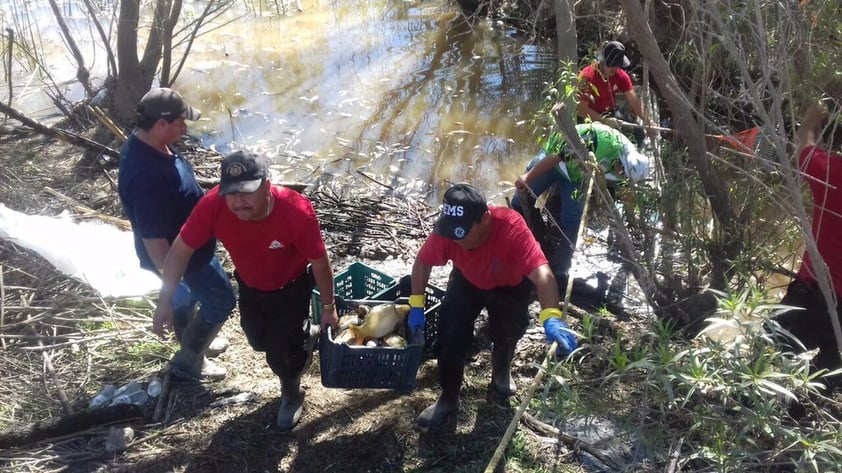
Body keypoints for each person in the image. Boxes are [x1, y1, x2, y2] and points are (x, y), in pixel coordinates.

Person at [152, 150, 339, 431]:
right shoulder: (213, 204)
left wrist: (328, 307)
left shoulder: (296, 210)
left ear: (266, 184)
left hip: (290, 288)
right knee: (258, 342)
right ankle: (305, 335)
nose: (238, 202)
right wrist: (165, 301)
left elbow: (320, 263)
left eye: (247, 193)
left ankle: (291, 392)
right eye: (232, 193)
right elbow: (179, 251)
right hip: (251, 286)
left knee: (281, 354)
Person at [410, 183, 577, 431]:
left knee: (507, 334)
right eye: (453, 233)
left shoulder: (511, 228)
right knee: (449, 338)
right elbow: (423, 262)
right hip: (467, 280)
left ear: (485, 219)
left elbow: (543, 275)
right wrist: (416, 305)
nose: (458, 239)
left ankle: (501, 372)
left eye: (464, 232)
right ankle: (448, 397)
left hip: (510, 287)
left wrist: (551, 316)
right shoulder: (448, 233)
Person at [118, 87, 236, 381]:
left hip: (194, 249)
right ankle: (191, 359)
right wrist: (172, 286)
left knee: (191, 301)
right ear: (161, 124)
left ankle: (195, 339)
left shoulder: (152, 144)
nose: (185, 128)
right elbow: (155, 241)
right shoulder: (147, 178)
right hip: (181, 259)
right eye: (181, 123)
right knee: (221, 301)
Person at [511, 122, 651, 293]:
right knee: (519, 201)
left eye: (623, 173)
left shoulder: (626, 171)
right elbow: (556, 157)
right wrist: (527, 177)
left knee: (573, 218)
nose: (619, 171)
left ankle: (561, 268)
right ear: (621, 158)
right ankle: (524, 244)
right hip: (555, 161)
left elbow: (620, 192)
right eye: (620, 167)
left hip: (577, 178)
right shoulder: (598, 142)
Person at [775, 101, 842, 385]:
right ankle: (802, 415)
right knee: (827, 373)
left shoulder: (833, 174)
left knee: (770, 356)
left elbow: (805, 148)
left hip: (812, 297)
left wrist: (810, 119)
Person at [577, 40, 655, 144]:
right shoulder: (588, 76)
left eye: (616, 65)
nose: (614, 69)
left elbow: (634, 101)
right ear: (603, 61)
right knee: (598, 141)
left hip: (610, 113)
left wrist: (649, 122)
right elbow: (581, 109)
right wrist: (603, 121)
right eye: (611, 65)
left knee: (638, 134)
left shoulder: (620, 75)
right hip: (588, 118)